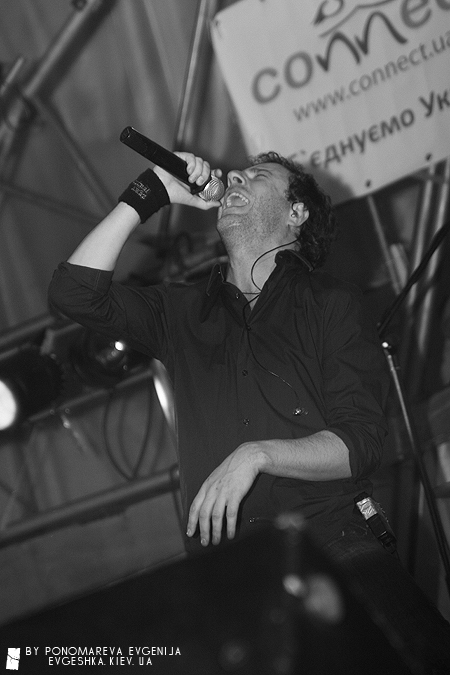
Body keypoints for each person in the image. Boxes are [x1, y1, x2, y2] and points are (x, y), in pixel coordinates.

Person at [48, 149, 450, 673]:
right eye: (237, 173)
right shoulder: (182, 310)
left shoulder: (330, 302)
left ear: (296, 213)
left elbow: (361, 443)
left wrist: (256, 455)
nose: (235, 175)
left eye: (257, 176)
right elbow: (73, 292)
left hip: (332, 544)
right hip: (229, 572)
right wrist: (153, 191)